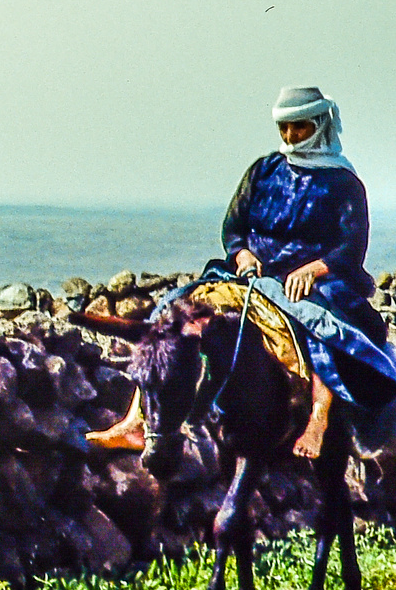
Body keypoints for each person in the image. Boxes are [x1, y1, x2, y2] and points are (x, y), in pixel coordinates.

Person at [89, 86, 392, 458]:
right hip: (252, 272)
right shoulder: (263, 170)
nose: (290, 137)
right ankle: (136, 419)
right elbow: (233, 227)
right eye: (284, 128)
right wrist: (243, 254)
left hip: (312, 278)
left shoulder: (344, 183)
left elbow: (352, 245)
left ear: (319, 125)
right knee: (168, 321)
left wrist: (314, 269)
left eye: (299, 128)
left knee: (319, 327)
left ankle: (318, 418)